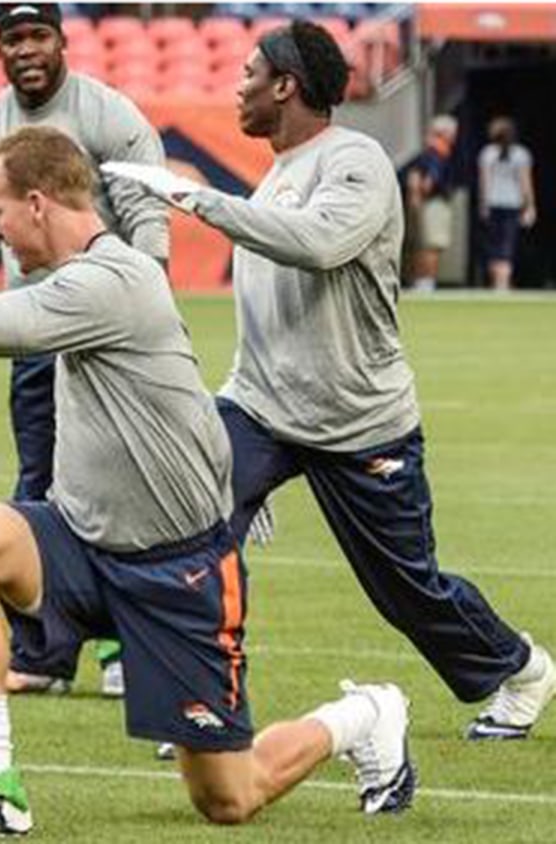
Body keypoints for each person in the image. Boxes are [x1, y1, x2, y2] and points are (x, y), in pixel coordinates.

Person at [0, 119, 414, 838]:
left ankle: (367, 715)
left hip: (178, 573)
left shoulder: (111, 281)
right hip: (81, 539)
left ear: (39, 203)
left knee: (227, 798)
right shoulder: (76, 278)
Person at [118, 21, 555, 741]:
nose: (237, 86)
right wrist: (230, 440)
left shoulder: (357, 162)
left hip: (361, 423)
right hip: (262, 410)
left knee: (406, 590)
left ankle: (523, 669)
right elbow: (268, 317)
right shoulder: (279, 172)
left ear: (286, 85)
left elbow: (319, 245)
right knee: (190, 527)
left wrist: (196, 199)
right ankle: (201, 703)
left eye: (249, 73)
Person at [0, 2, 178, 697]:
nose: (26, 49)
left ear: (62, 41)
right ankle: (46, 655)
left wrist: (149, 292)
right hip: (34, 334)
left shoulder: (107, 113)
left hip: (107, 333)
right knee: (37, 488)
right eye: (12, 38)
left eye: (37, 35)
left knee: (118, 490)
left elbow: (146, 208)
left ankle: (119, 651)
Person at [478, 116, 537, 292]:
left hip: (495, 202)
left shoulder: (488, 153)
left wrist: (483, 204)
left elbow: (485, 182)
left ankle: (498, 282)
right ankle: (502, 282)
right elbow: (526, 183)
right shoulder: (521, 154)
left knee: (494, 242)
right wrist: (530, 205)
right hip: (512, 202)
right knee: (507, 242)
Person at [403, 114, 458, 293]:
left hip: (426, 204)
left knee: (422, 244)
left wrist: (415, 197)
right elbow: (428, 181)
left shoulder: (426, 152)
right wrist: (422, 193)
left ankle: (420, 281)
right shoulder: (438, 152)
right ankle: (427, 282)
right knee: (432, 245)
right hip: (434, 203)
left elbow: (413, 177)